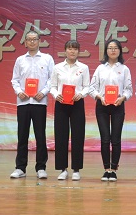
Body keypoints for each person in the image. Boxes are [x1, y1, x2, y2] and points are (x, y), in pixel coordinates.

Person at [10, 30, 55, 180]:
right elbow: (15, 80)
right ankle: (20, 168)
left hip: (39, 102)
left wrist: (43, 92)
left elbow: (52, 79)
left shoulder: (47, 59)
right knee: (22, 135)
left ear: (39, 41)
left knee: (40, 135)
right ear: (25, 42)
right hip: (23, 102)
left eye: (34, 39)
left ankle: (41, 168)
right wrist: (19, 92)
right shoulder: (20, 60)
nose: (32, 42)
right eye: (29, 39)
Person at [89, 39, 133, 182]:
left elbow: (129, 89)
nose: (113, 50)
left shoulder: (124, 69)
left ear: (120, 51)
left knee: (116, 139)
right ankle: (106, 169)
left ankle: (113, 170)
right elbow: (92, 88)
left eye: (115, 48)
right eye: (110, 48)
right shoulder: (100, 68)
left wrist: (123, 98)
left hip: (118, 105)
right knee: (105, 138)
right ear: (106, 51)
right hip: (102, 105)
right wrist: (99, 97)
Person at [50, 40, 90, 181]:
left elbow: (87, 86)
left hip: (77, 103)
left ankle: (76, 169)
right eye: (69, 48)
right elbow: (52, 86)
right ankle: (63, 169)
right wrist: (56, 95)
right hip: (61, 103)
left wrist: (81, 94)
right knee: (61, 136)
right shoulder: (57, 67)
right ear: (65, 51)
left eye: (75, 49)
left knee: (78, 136)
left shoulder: (83, 68)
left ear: (78, 51)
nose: (72, 51)